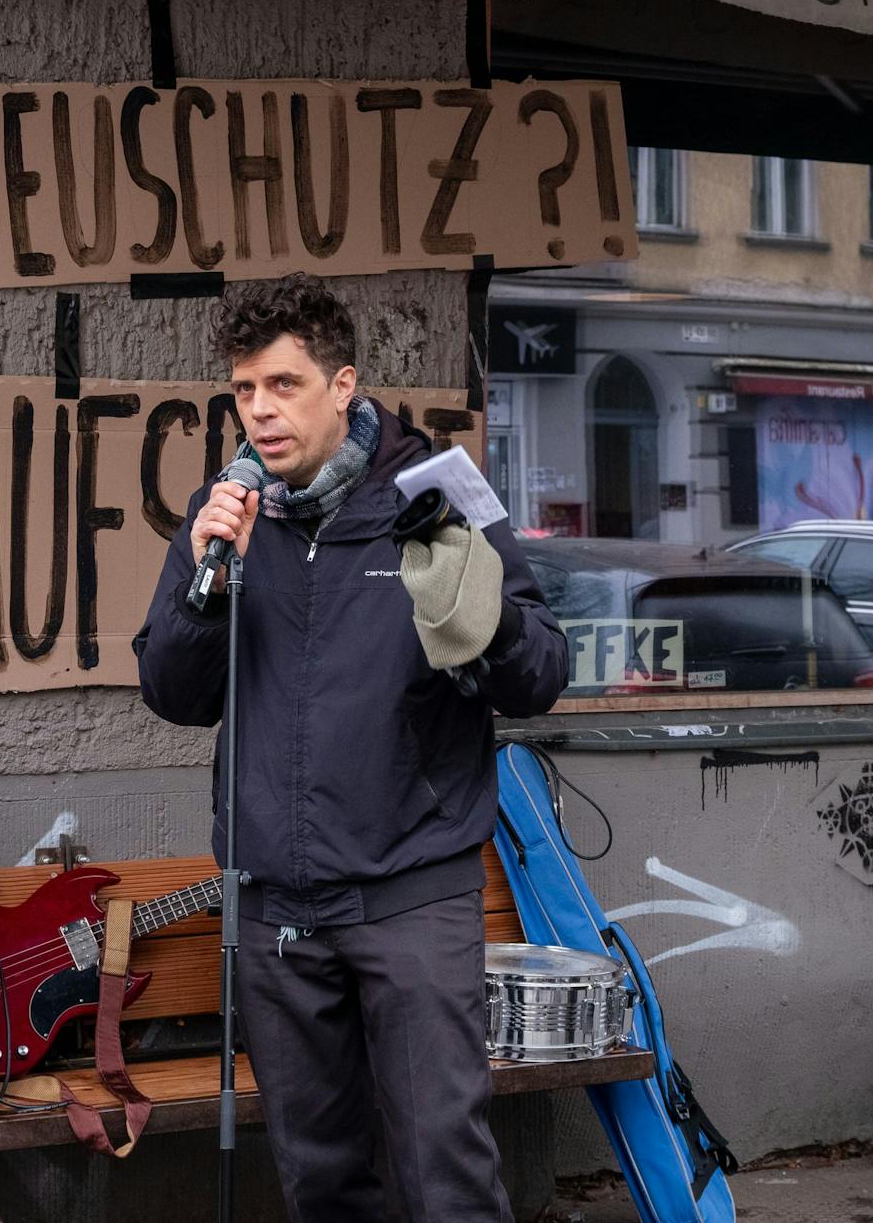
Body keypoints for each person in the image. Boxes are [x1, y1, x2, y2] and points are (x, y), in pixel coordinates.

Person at [134, 274, 567, 1222]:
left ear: (343, 385)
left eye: (283, 385)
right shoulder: (228, 517)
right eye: (244, 390)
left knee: (442, 1175)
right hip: (276, 907)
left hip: (407, 893)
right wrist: (208, 585)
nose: (259, 412)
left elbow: (539, 676)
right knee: (322, 1182)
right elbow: (171, 692)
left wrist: (476, 610)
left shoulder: (434, 500)